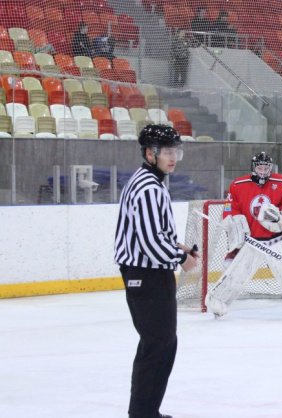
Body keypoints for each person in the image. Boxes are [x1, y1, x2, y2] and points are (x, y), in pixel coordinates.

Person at [114, 124, 197, 418]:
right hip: (146, 276)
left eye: (177, 151)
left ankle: (147, 411)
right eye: (167, 152)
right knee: (157, 345)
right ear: (150, 153)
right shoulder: (149, 187)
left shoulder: (150, 181)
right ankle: (142, 414)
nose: (173, 158)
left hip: (148, 275)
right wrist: (181, 258)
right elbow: (149, 242)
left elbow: (151, 232)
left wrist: (176, 246)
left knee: (162, 343)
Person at [206, 152, 282, 318]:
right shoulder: (238, 184)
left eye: (266, 167)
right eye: (259, 167)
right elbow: (230, 208)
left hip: (276, 238)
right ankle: (217, 304)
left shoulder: (281, 182)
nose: (263, 171)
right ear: (253, 167)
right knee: (236, 275)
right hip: (251, 240)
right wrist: (234, 223)